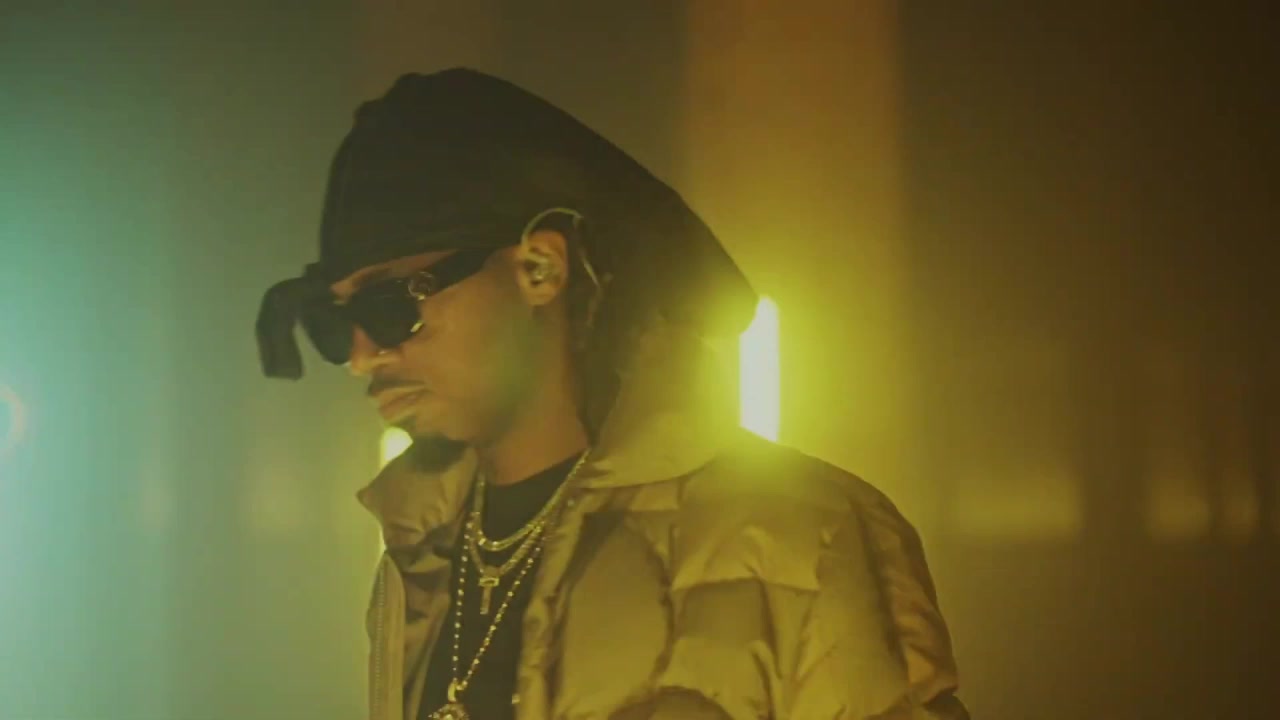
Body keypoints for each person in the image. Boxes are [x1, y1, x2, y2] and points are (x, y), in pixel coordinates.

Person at [256, 68, 967, 720]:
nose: (361, 357)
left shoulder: (802, 534)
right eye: (333, 324)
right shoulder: (421, 558)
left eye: (388, 307)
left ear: (539, 268)